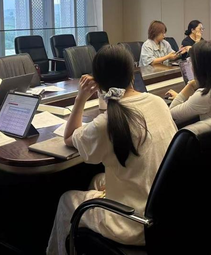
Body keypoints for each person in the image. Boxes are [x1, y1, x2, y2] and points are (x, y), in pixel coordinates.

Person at [47, 45, 177, 254]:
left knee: (66, 200)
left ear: (97, 82)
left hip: (135, 223)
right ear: (132, 73)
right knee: (97, 180)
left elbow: (69, 137)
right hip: (168, 212)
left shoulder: (108, 122)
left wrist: (81, 98)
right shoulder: (158, 102)